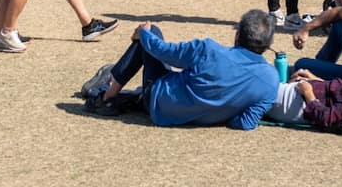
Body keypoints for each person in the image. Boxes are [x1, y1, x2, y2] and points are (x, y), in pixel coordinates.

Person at [83, 10, 279, 130]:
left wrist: (143, 33)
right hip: (200, 117)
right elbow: (246, 123)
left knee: (152, 33)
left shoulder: (209, 50)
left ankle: (107, 97)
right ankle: (116, 91)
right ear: (267, 44)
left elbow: (162, 51)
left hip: (160, 100)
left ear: (237, 35)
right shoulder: (271, 80)